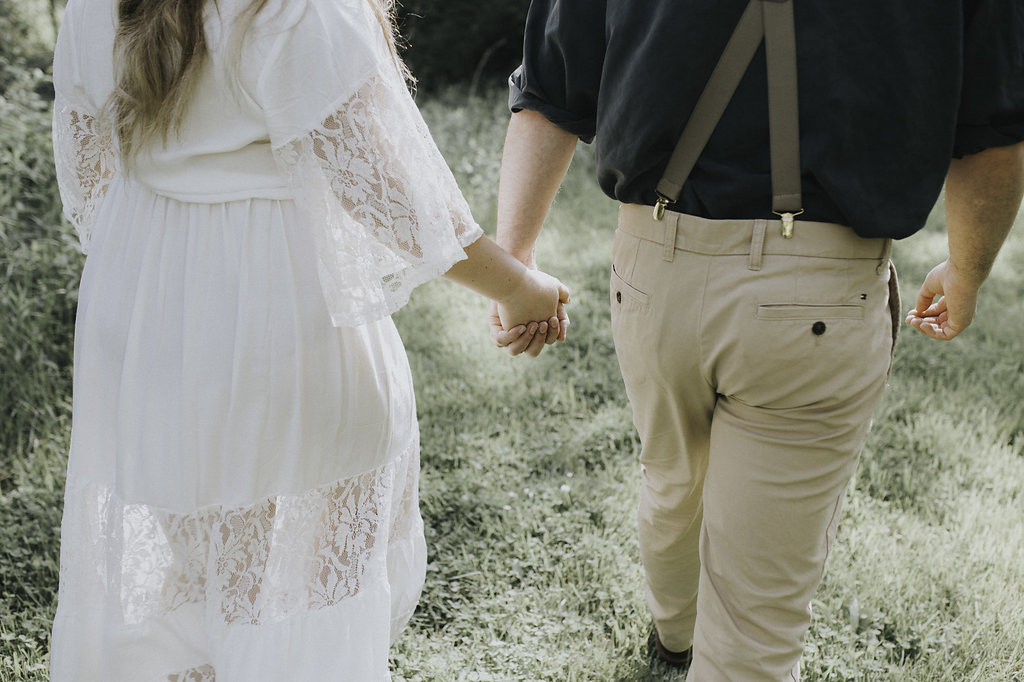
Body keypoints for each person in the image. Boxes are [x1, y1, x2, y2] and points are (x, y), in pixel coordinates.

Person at [490, 0, 1024, 678]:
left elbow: (548, 88)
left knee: (673, 483)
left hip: (654, 268)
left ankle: (674, 638)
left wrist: (515, 266)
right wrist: (968, 271)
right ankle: (703, 647)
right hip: (822, 293)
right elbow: (996, 133)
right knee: (758, 621)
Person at [49, 0, 568, 678]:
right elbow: (396, 196)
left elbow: (91, 176)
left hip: (146, 311)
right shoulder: (294, 9)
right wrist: (520, 290)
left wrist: (162, 260)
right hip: (277, 312)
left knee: (199, 583)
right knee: (295, 605)